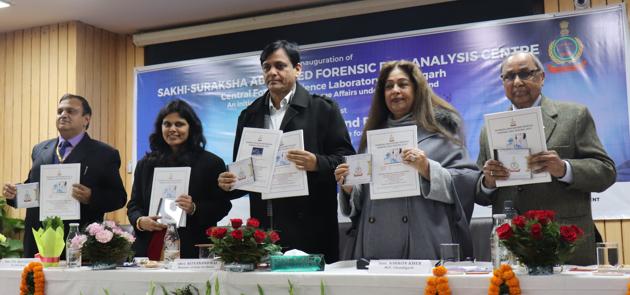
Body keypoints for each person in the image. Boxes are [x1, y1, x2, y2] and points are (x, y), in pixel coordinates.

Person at [217, 40, 355, 263]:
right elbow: (242, 173)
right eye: (266, 67)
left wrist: (316, 163)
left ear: (297, 69)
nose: (272, 72)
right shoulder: (249, 115)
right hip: (264, 229)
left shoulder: (322, 109)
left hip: (311, 228)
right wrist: (229, 183)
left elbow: (346, 159)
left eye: (280, 66)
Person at [477, 52, 616, 265]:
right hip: (513, 248)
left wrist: (563, 169)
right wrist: (488, 182)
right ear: (503, 82)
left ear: (541, 77)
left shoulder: (574, 116)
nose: (517, 82)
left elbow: (606, 172)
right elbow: (479, 193)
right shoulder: (490, 130)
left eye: (525, 73)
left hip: (565, 244)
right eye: (509, 76)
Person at [334, 60, 479, 260]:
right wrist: (350, 188)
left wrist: (428, 169)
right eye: (389, 86)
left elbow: (468, 181)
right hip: (376, 244)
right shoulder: (373, 138)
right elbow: (364, 198)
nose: (395, 90)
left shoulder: (441, 132)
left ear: (417, 89)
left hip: (424, 241)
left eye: (402, 84)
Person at [1, 94, 127, 258]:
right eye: (60, 111)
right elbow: (34, 187)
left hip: (78, 241)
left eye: (71, 111)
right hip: (38, 239)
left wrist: (92, 196)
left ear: (86, 119)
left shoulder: (104, 153)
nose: (63, 115)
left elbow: (119, 197)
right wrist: (15, 194)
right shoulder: (40, 149)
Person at [127, 99, 232, 259]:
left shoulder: (211, 163)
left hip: (193, 248)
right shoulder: (146, 164)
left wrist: (194, 208)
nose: (172, 129)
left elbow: (222, 206)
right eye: (167, 124)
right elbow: (134, 205)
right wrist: (141, 221)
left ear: (192, 127)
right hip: (149, 248)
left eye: (179, 124)